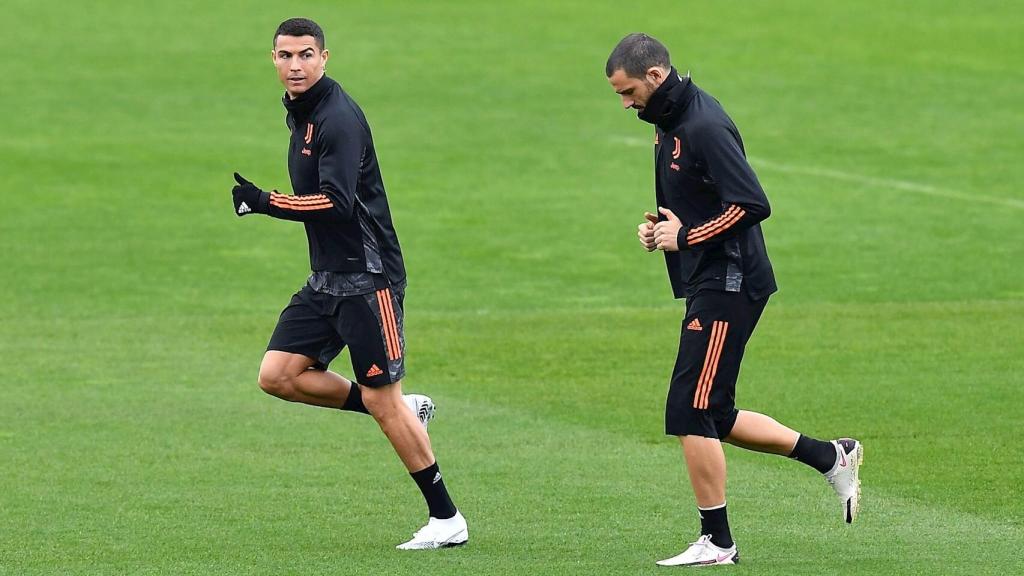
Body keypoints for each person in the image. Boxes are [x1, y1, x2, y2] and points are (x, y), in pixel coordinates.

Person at [605, 33, 862, 567]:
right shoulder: (668, 122)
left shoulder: (702, 124)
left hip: (729, 282)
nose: (625, 103)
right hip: (709, 278)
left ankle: (718, 542)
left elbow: (751, 203)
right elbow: (695, 200)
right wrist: (665, 229)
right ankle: (831, 456)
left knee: (690, 408)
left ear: (655, 77)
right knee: (715, 411)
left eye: (628, 91)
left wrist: (688, 237)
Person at [229, 17, 467, 550]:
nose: (295, 65)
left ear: (325, 58)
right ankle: (406, 410)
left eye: (306, 55)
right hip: (327, 280)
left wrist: (266, 202)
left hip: (368, 279)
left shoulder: (337, 117)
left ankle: (446, 518)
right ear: (273, 59)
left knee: (385, 402)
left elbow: (337, 204)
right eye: (286, 56)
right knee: (279, 375)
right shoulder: (302, 113)